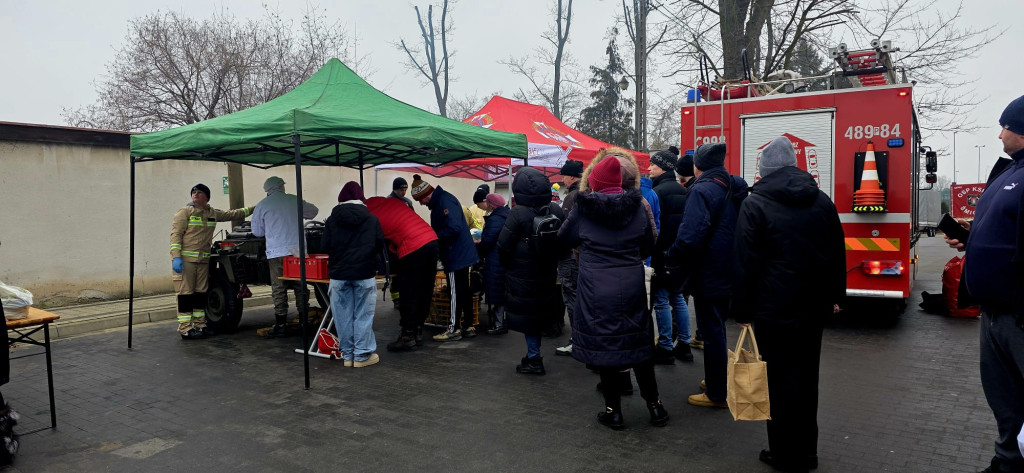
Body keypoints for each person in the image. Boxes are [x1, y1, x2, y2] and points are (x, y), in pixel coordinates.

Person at [732, 136, 845, 473]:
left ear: (764, 170)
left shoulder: (755, 204)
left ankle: (783, 453)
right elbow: (836, 253)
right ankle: (807, 454)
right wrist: (836, 296)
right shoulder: (822, 201)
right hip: (812, 310)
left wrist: (742, 310)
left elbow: (745, 262)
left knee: (779, 384)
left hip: (772, 311)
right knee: (808, 381)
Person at [558, 156, 667, 429]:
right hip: (630, 283)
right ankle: (655, 407)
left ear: (594, 182)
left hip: (595, 286)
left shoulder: (583, 208)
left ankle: (613, 411)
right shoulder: (638, 207)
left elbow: (564, 239)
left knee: (605, 345)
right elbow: (648, 245)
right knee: (638, 343)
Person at [946, 95, 1024, 473]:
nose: (1000, 134)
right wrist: (969, 238)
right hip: (993, 314)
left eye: (1006, 126)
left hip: (1018, 316)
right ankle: (1007, 461)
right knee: (1004, 398)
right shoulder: (1009, 173)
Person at [665, 143, 748, 408]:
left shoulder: (702, 189)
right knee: (718, 327)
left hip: (709, 271)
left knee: (712, 331)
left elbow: (690, 236)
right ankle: (718, 379)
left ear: (698, 165)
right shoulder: (734, 185)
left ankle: (716, 392)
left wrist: (672, 256)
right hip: (731, 268)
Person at [497, 167, 565, 374]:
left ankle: (534, 358)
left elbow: (503, 245)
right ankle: (537, 351)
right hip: (547, 271)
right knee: (541, 311)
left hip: (523, 275)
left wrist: (509, 264)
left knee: (529, 318)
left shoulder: (518, 213)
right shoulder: (555, 209)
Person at [169, 184, 252, 339]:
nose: (195, 194)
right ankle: (185, 329)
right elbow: (175, 235)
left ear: (207, 197)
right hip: (186, 261)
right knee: (185, 294)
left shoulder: (212, 212)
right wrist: (176, 257)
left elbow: (232, 214)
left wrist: (255, 208)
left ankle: (200, 325)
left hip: (203, 260)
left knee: (201, 293)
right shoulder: (185, 212)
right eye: (193, 192)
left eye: (199, 192)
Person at [323, 182, 385, 368]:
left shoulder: (331, 220)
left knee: (342, 316)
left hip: (339, 275)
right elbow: (379, 244)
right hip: (364, 273)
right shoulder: (372, 219)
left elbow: (324, 246)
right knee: (363, 315)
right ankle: (362, 355)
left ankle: (348, 355)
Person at [410, 174, 480, 341]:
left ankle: (453, 328)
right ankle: (468, 325)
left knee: (455, 291)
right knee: (464, 289)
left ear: (426, 194)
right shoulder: (443, 200)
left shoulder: (443, 202)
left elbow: (454, 228)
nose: (421, 203)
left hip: (455, 254)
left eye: (420, 199)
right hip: (461, 253)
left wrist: (434, 236)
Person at [366, 196, 439, 352]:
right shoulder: (391, 202)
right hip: (431, 240)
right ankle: (417, 332)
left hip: (413, 245)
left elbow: (377, 244)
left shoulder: (370, 215)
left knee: (408, 293)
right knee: (424, 290)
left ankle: (407, 337)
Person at [250, 176, 319, 338]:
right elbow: (314, 212)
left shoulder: (262, 205)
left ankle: (280, 325)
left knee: (278, 288)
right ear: (282, 187)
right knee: (300, 286)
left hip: (276, 252)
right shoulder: (294, 200)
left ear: (267, 190)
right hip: (297, 251)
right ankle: (303, 322)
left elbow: (257, 232)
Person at [648, 146, 694, 364]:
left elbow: (655, 227)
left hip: (661, 253)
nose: (649, 169)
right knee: (677, 297)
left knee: (660, 299)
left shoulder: (658, 192)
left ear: (663, 168)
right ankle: (684, 344)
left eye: (653, 165)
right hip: (679, 253)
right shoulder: (684, 190)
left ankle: (665, 346)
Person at [555, 159, 584, 356]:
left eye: (564, 176)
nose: (562, 179)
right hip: (584, 256)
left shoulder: (573, 196)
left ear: (572, 177)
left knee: (572, 296)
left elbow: (566, 230)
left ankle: (577, 340)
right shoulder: (587, 192)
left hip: (571, 256)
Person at [477, 193, 510, 335]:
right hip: (503, 258)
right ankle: (501, 322)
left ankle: (498, 324)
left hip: (495, 259)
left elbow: (488, 241)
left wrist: (478, 248)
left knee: (497, 292)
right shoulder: (507, 215)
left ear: (491, 204)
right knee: (501, 291)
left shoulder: (495, 219)